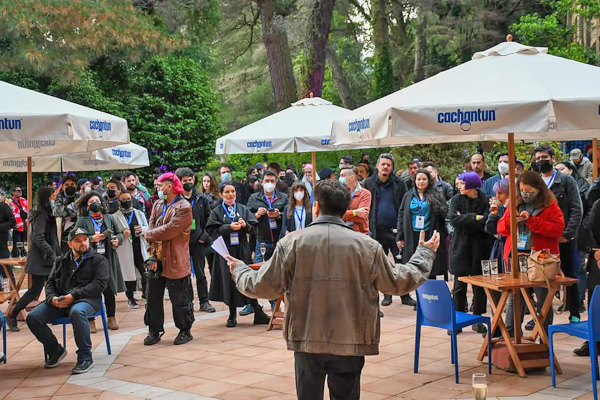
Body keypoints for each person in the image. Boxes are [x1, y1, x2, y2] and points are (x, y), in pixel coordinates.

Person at [226, 179, 440, 400]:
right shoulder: (367, 246)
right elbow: (397, 282)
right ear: (345, 208)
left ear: (316, 206)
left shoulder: (292, 243)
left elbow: (261, 285)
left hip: (307, 337)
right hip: (350, 338)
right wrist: (424, 255)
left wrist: (240, 270)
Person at [26, 227, 109, 374]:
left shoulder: (99, 260)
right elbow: (50, 283)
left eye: (85, 239)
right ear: (70, 244)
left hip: (86, 300)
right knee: (33, 317)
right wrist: (52, 298)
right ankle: (55, 350)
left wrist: (74, 296)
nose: (83, 243)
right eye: (78, 241)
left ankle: (85, 357)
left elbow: (99, 285)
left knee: (77, 312)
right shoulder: (61, 261)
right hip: (61, 300)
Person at [498, 171, 565, 335]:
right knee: (515, 296)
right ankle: (512, 333)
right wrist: (511, 221)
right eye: (522, 190)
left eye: (528, 190)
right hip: (516, 256)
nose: (525, 194)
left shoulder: (550, 206)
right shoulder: (515, 204)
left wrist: (531, 221)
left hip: (540, 259)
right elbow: (501, 229)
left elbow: (557, 230)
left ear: (538, 188)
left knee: (543, 298)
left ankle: (544, 336)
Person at [206, 183, 271, 327]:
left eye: (233, 191)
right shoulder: (217, 211)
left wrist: (245, 225)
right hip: (226, 250)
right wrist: (228, 227)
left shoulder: (242, 208)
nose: (231, 194)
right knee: (229, 280)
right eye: (227, 192)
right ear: (221, 194)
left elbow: (253, 228)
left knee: (247, 277)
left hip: (242, 249)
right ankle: (232, 314)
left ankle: (257, 310)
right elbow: (211, 230)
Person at [144, 172, 195, 346]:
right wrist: (151, 254)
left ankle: (184, 330)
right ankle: (154, 330)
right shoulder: (158, 204)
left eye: (160, 185)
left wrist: (148, 234)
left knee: (179, 299)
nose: (157, 188)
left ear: (170, 186)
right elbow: (152, 224)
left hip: (175, 260)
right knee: (152, 297)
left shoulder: (184, 207)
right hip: (156, 258)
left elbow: (169, 231)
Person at [533, 145, 583, 323]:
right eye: (538, 158)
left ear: (553, 158)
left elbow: (577, 209)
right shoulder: (535, 181)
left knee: (568, 275)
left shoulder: (566, 181)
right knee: (541, 276)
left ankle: (574, 312)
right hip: (541, 238)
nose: (541, 161)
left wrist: (567, 234)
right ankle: (542, 314)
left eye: (544, 157)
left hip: (563, 238)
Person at [363, 153, 416, 308]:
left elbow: (405, 206)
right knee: (381, 264)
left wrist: (403, 230)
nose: (385, 167)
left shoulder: (399, 183)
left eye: (388, 164)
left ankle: (405, 295)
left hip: (396, 231)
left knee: (402, 264)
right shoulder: (368, 183)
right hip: (376, 231)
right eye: (383, 164)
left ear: (392, 167)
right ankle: (387, 295)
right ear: (377, 166)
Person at [6, 187, 59, 332]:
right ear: (47, 198)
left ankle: (17, 314)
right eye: (53, 196)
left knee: (46, 287)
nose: (55, 198)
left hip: (44, 259)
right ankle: (13, 314)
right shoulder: (41, 215)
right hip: (42, 260)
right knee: (37, 289)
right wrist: (51, 253)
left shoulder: (44, 214)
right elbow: (38, 237)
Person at [448, 171, 492, 335]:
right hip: (460, 247)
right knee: (459, 287)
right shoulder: (456, 199)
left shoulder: (485, 199)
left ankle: (477, 319)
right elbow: (453, 219)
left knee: (479, 286)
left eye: (461, 183)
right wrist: (475, 217)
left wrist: (466, 218)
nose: (458, 186)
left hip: (480, 247)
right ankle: (458, 320)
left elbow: (487, 220)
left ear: (472, 184)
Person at [75, 192, 124, 331]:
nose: (95, 204)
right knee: (90, 290)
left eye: (97, 200)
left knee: (109, 289)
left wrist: (117, 240)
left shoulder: (109, 218)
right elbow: (76, 238)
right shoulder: (82, 220)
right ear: (87, 205)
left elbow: (119, 233)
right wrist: (91, 239)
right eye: (91, 202)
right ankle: (91, 320)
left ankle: (111, 318)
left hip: (107, 257)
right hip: (89, 259)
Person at [176, 167, 216, 313]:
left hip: (198, 242)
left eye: (190, 179)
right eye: (184, 180)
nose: (188, 182)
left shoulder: (201, 199)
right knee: (185, 274)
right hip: (182, 243)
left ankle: (204, 301)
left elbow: (209, 220)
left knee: (200, 273)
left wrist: (204, 237)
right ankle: (188, 302)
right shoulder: (176, 200)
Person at [397, 169, 448, 281]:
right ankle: (416, 289)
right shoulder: (408, 195)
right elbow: (401, 215)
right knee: (413, 265)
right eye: (418, 179)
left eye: (424, 179)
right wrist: (399, 236)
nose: (421, 182)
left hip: (429, 233)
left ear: (428, 181)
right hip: (412, 234)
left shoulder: (437, 195)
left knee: (430, 265)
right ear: (414, 181)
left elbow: (443, 216)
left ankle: (430, 289)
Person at [556, 161, 592, 313]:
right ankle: (568, 302)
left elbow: (583, 210)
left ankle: (578, 302)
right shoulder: (555, 185)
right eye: (556, 169)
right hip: (561, 234)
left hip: (579, 232)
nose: (559, 171)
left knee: (579, 267)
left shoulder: (582, 187)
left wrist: (575, 229)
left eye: (562, 169)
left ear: (571, 170)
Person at [112, 191, 149, 308]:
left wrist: (142, 229)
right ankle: (130, 298)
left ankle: (146, 294)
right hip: (125, 249)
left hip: (139, 247)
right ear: (119, 202)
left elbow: (148, 228)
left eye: (129, 199)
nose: (127, 201)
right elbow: (113, 234)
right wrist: (122, 235)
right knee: (128, 274)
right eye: (124, 199)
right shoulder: (114, 217)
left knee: (145, 272)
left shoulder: (139, 213)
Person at [574, 197, 600, 356]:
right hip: (598, 257)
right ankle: (594, 341)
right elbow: (590, 229)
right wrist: (597, 252)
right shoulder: (598, 205)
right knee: (596, 299)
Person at [52, 175, 80, 254]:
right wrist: (74, 213)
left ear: (76, 185)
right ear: (63, 187)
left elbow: (83, 212)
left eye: (72, 184)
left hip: (79, 232)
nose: (69, 186)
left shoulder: (80, 197)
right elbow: (59, 212)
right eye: (67, 185)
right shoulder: (58, 198)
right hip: (64, 235)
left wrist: (66, 210)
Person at [340, 167, 371, 235]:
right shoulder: (337, 193)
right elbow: (336, 215)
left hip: (360, 234)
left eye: (342, 175)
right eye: (340, 175)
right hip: (341, 234)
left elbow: (362, 217)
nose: (340, 178)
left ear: (352, 178)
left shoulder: (365, 194)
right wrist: (355, 212)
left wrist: (344, 215)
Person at [9, 185, 28, 258]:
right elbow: (8, 214)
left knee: (24, 245)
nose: (20, 192)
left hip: (25, 225)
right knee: (16, 245)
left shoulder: (24, 200)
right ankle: (15, 259)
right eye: (18, 191)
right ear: (13, 192)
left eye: (21, 190)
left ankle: (23, 259)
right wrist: (14, 223)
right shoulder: (9, 202)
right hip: (16, 227)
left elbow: (29, 212)